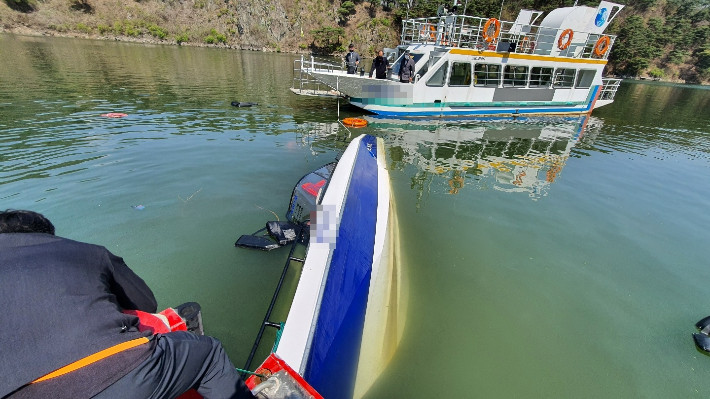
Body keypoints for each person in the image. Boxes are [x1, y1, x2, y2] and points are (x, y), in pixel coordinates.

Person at [0, 210, 255, 399]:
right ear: (44, 234)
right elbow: (145, 302)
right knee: (209, 353)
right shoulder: (86, 251)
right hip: (118, 374)